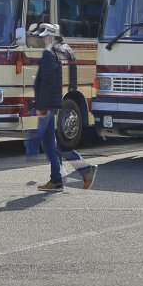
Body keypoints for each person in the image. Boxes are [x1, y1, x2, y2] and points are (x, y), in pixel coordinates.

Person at [30, 23, 95, 191]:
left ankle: (69, 175)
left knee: (39, 140)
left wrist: (41, 106)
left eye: (43, 37)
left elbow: (47, 83)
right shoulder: (53, 54)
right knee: (52, 144)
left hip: (47, 105)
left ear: (50, 38)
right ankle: (65, 177)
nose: (40, 40)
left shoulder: (49, 55)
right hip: (50, 104)